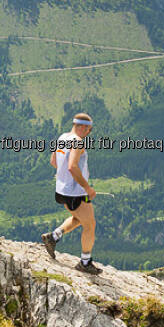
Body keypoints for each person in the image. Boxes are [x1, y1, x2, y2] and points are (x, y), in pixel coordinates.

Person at [41, 113, 102, 275]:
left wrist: (64, 177)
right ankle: (85, 262)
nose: (89, 132)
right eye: (89, 129)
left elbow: (53, 161)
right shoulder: (77, 142)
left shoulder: (63, 137)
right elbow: (72, 167)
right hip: (75, 192)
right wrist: (87, 188)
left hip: (61, 190)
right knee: (90, 225)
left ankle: (53, 237)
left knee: (79, 218)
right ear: (82, 127)